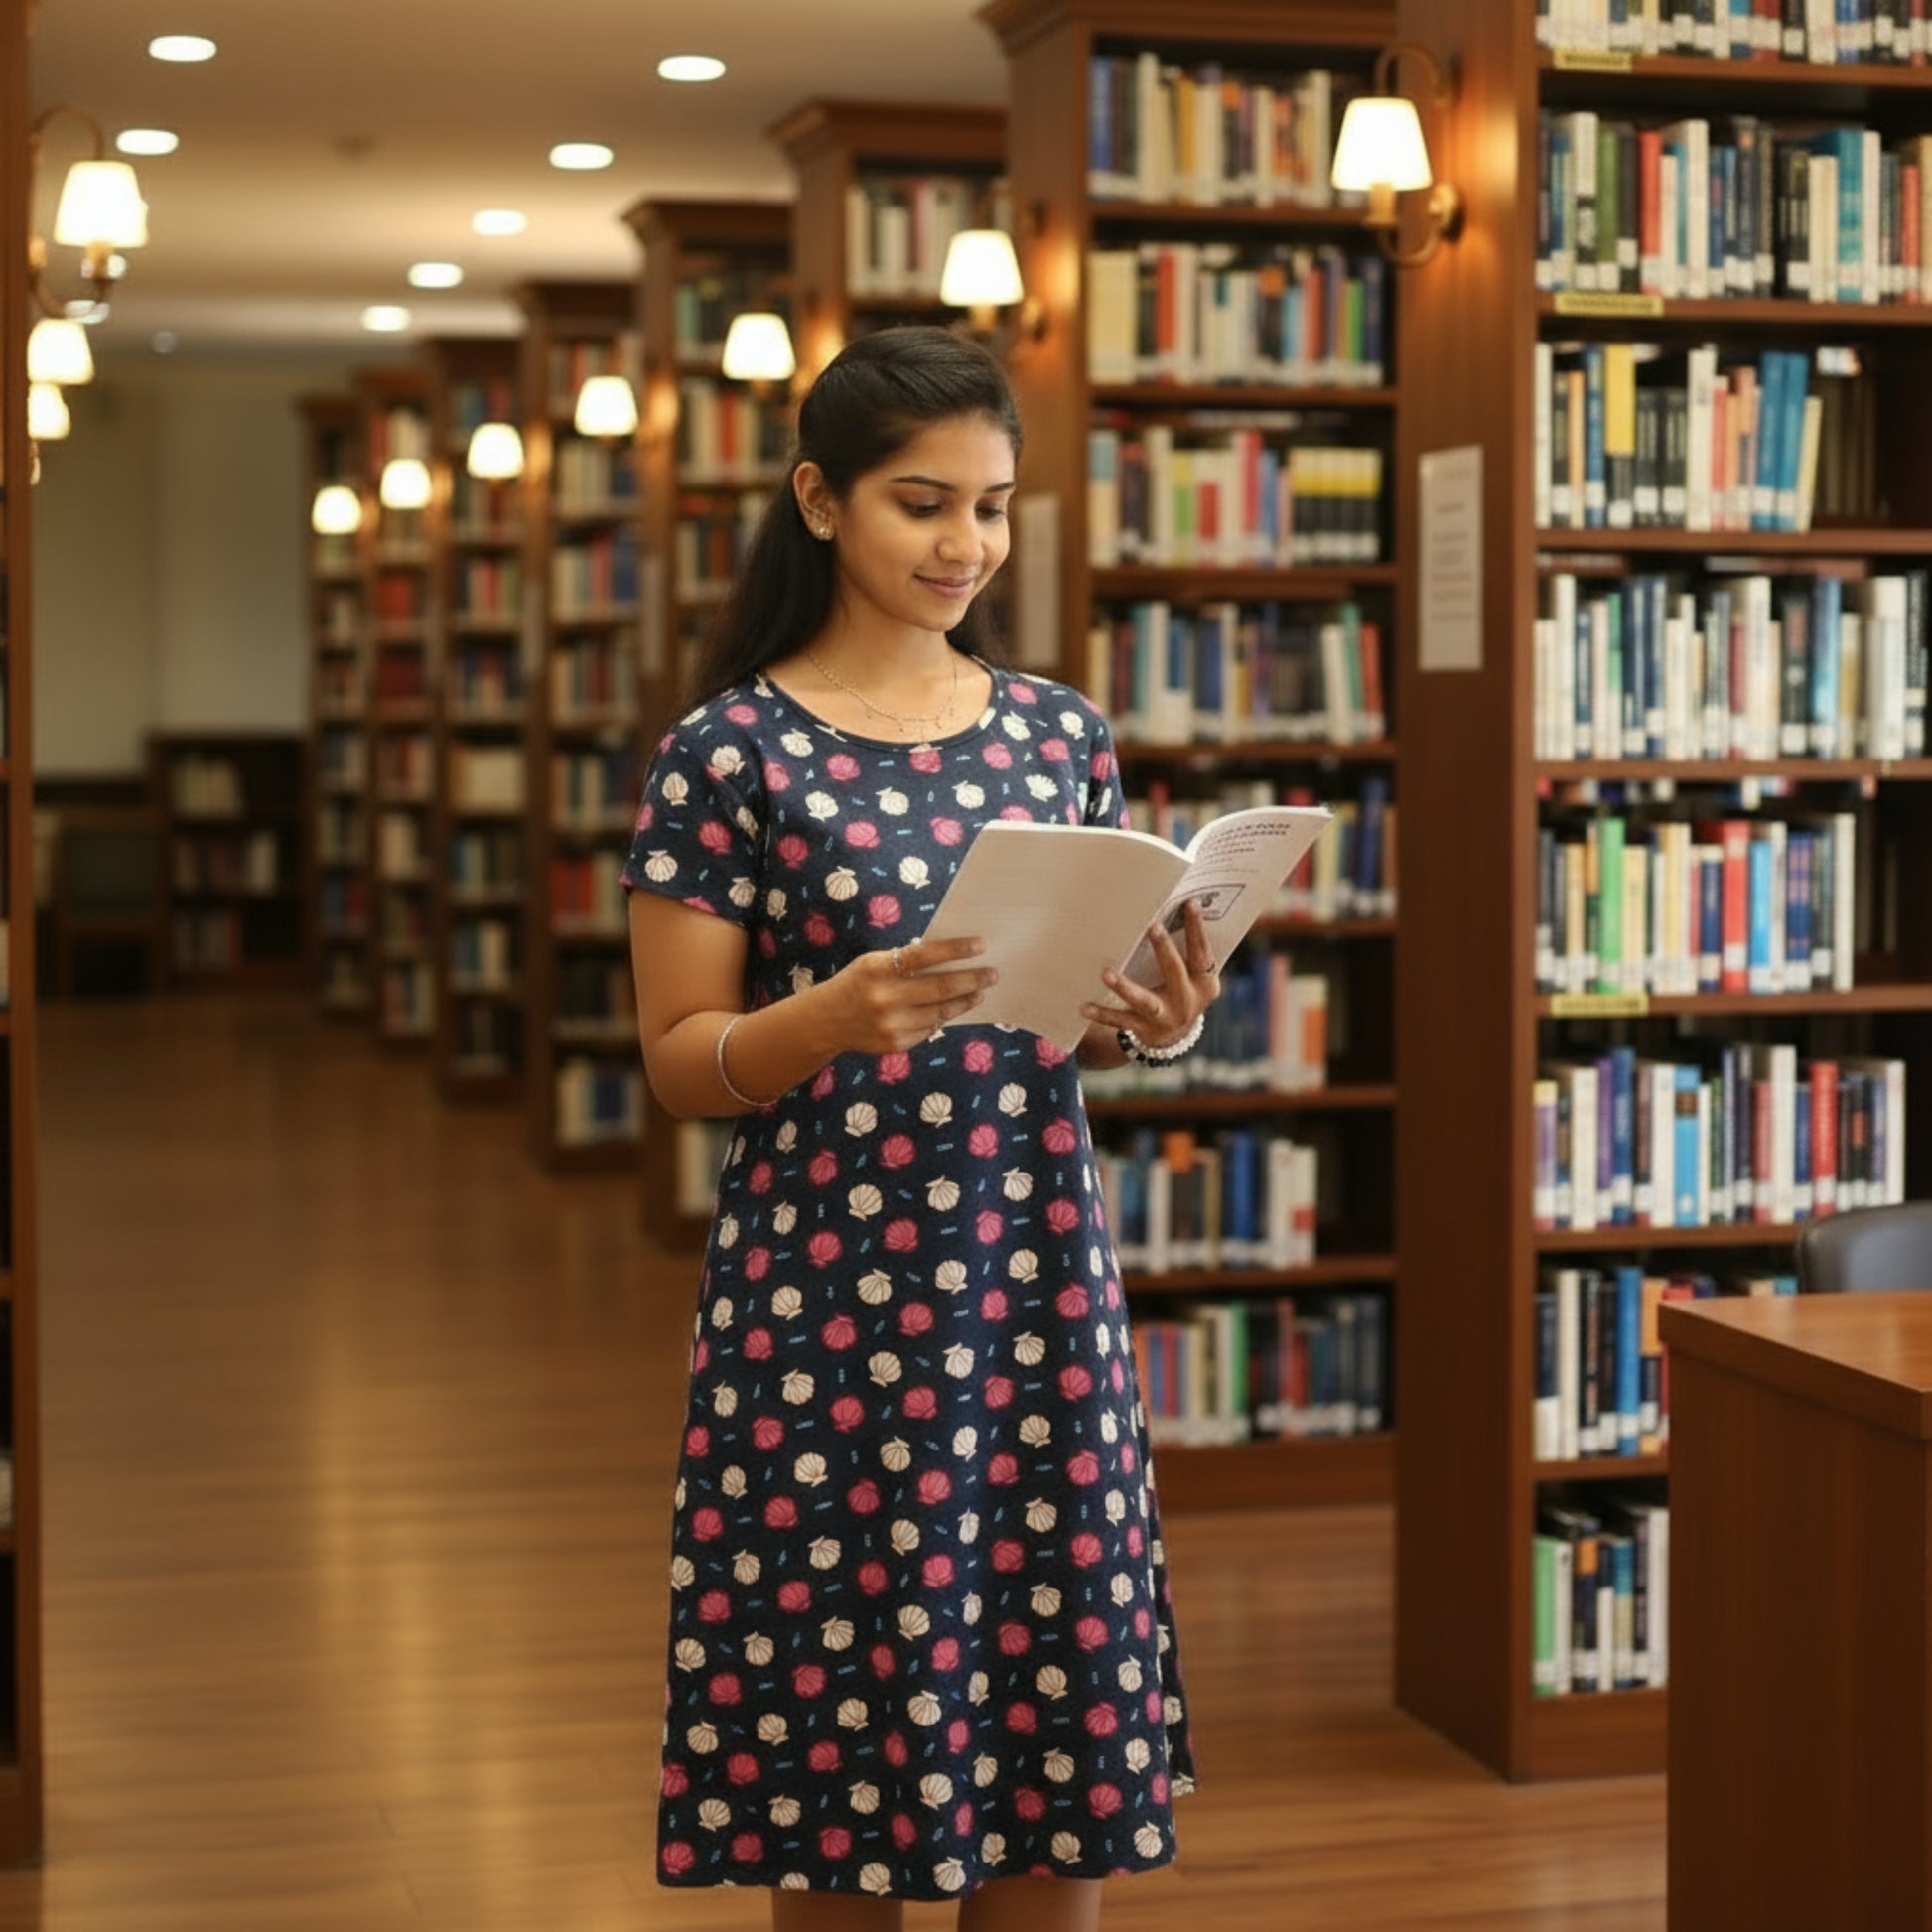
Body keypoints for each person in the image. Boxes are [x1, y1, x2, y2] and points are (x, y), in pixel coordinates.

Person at [623, 326, 1216, 1931]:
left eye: (994, 507)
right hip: (826, 1305)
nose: (965, 545)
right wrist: (824, 1018)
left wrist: (1146, 1020)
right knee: (840, 1731)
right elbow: (678, 1062)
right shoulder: (726, 754)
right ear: (819, 501)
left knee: (1046, 1738)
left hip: (1030, 1286)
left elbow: (1067, 1004)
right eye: (920, 503)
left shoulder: (1056, 732)